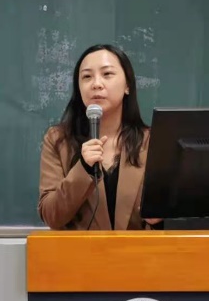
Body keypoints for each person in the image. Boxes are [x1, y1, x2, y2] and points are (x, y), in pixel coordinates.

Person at [38, 44, 161, 230]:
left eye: (107, 74)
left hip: (138, 248)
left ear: (127, 85)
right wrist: (83, 168)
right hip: (81, 249)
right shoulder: (58, 140)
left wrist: (161, 217)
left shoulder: (152, 141)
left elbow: (177, 214)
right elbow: (51, 216)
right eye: (87, 77)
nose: (96, 84)